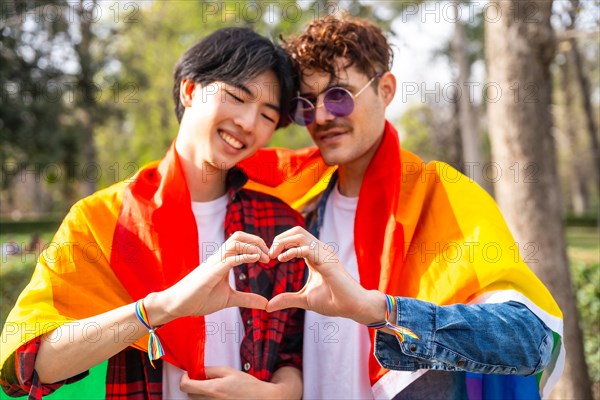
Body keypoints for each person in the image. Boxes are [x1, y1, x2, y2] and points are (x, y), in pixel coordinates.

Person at [240, 15, 564, 399]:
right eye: (307, 104)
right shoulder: (296, 207)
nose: (323, 116)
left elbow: (529, 339)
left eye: (339, 95)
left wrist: (383, 311)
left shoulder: (442, 194)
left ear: (386, 89)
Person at [0, 27, 305, 399]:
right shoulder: (103, 219)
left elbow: (293, 353)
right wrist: (158, 308)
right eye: (237, 97)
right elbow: (31, 365)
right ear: (189, 90)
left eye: (267, 116)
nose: (248, 123)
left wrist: (271, 395)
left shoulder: (279, 226)